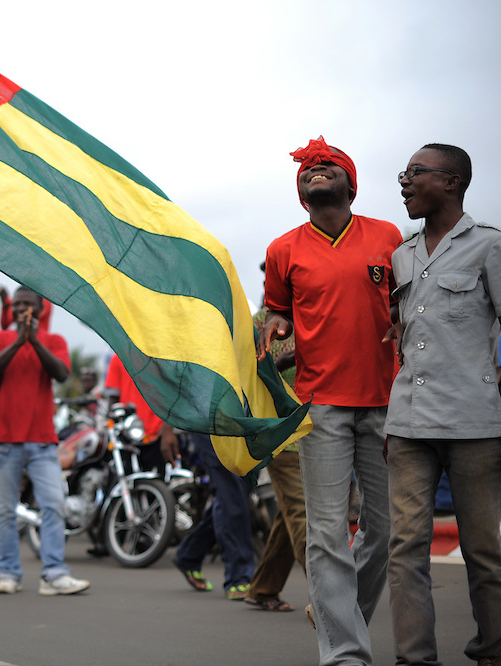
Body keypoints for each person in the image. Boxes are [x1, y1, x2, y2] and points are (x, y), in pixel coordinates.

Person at [259, 136, 402, 665]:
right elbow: (277, 310)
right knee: (325, 532)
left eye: (328, 166)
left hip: (387, 402)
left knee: (386, 530)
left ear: (351, 183)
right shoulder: (282, 249)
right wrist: (274, 325)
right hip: (319, 406)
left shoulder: (388, 237)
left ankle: (336, 609)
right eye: (308, 169)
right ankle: (344, 653)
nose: (315, 170)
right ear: (300, 192)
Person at [383, 144, 501, 666]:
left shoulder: (489, 248)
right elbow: (403, 334)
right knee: (404, 550)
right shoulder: (401, 255)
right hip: (409, 423)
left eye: (414, 173)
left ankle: (493, 652)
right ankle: (415, 659)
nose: (404, 182)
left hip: (475, 422)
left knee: (485, 553)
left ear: (451, 182)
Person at [0, 285, 90, 596]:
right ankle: (9, 574)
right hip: (6, 439)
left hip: (42, 440)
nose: (21, 309)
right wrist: (18, 342)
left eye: (28, 304)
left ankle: (53, 574)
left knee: (53, 506)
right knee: (5, 510)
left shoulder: (54, 342)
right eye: (17, 304)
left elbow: (61, 373)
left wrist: (34, 341)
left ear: (41, 310)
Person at [245, 301, 306, 613]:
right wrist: (280, 363)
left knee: (287, 517)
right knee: (302, 514)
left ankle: (263, 589)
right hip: (279, 434)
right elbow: (246, 371)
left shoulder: (313, 315)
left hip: (315, 428)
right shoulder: (257, 324)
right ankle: (332, 597)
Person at [171, 431, 256, 600]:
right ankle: (238, 576)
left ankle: (189, 554)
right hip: (208, 425)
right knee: (232, 495)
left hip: (244, 424)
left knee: (232, 497)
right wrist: (168, 431)